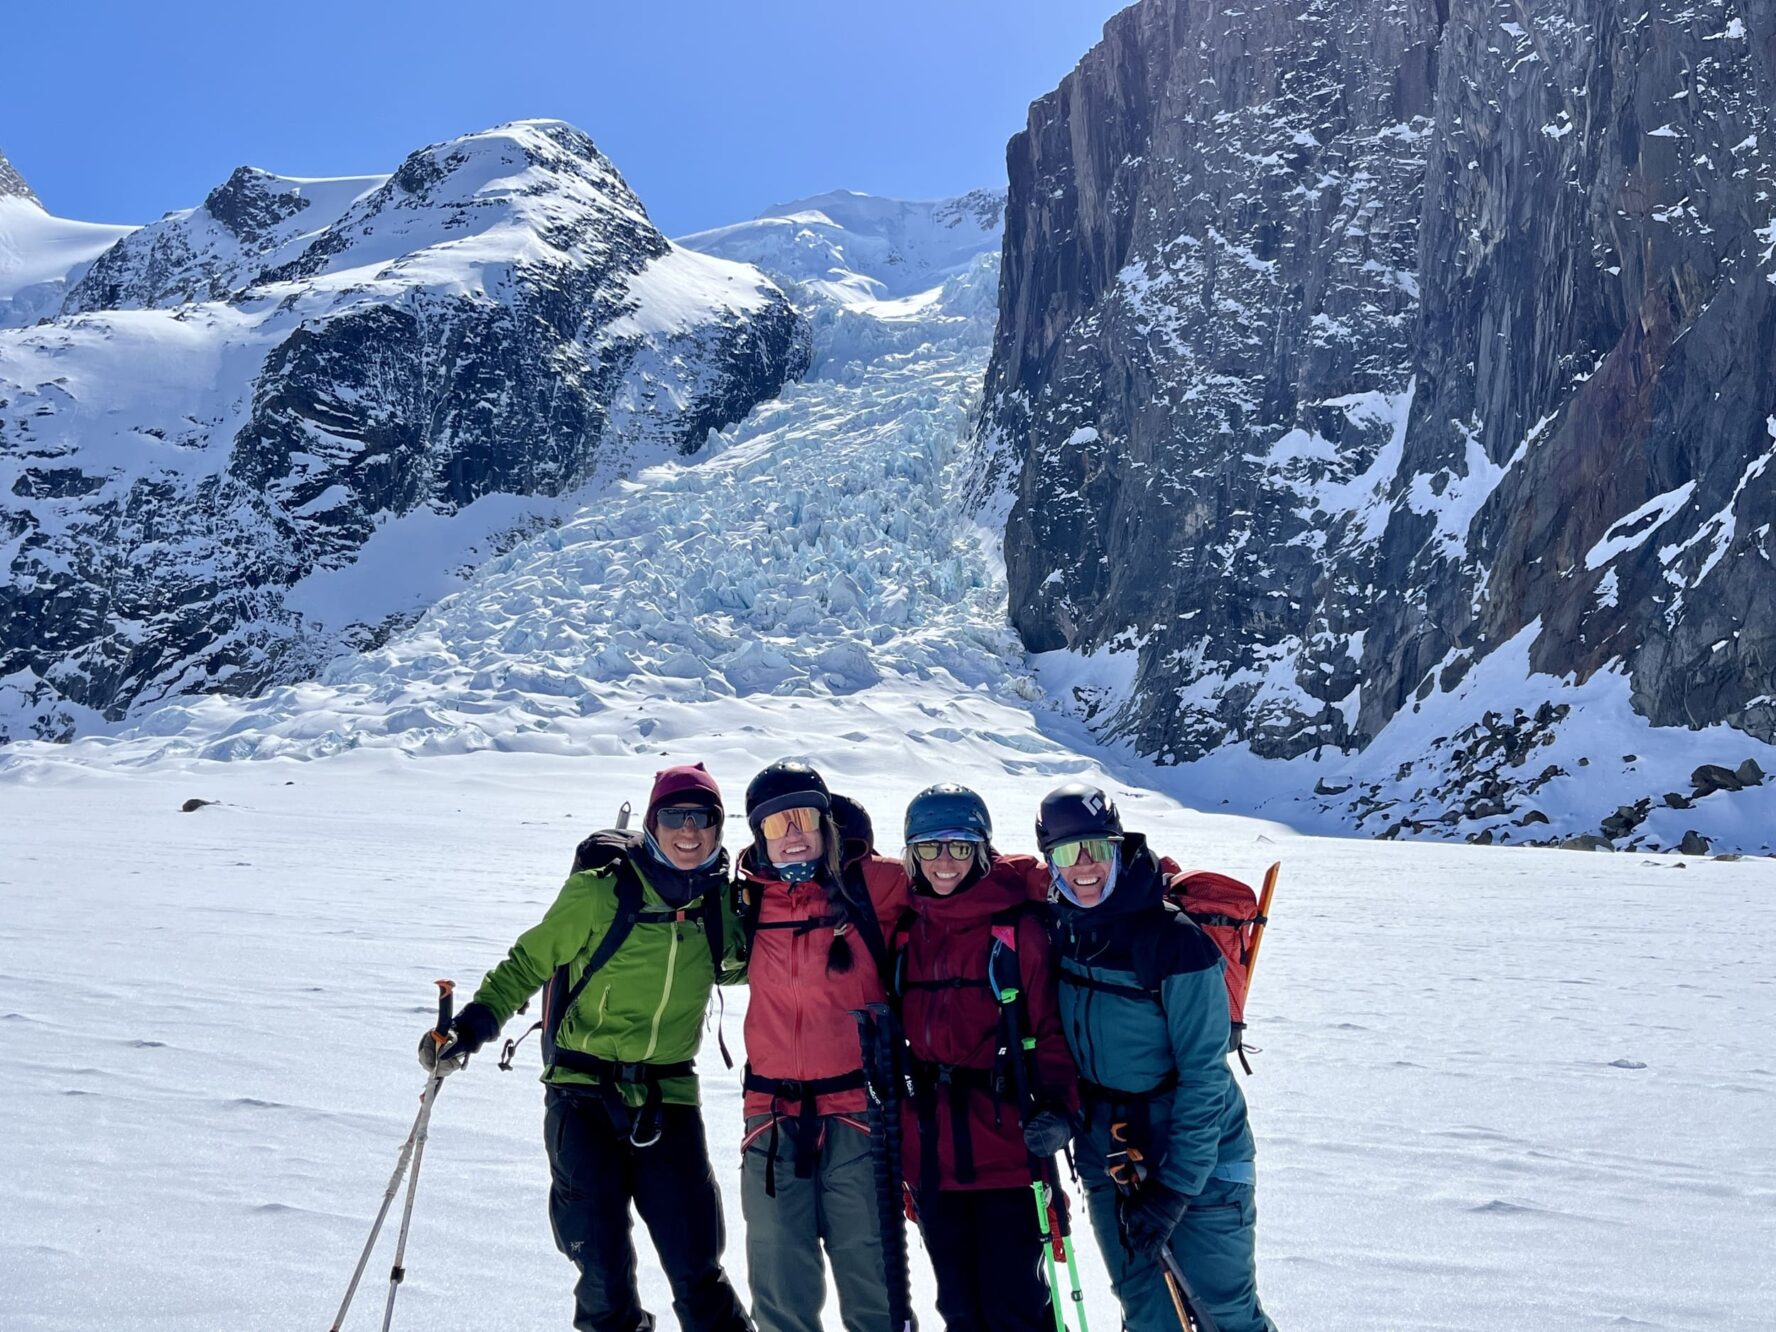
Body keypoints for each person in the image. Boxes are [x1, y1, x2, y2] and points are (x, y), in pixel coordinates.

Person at [419, 763, 752, 1332]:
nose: (689, 831)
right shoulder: (602, 893)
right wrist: (471, 1027)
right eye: (675, 816)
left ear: (720, 827)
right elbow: (529, 963)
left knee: (697, 1267)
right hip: (581, 1094)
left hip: (667, 1096)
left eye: (704, 817)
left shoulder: (721, 905)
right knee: (600, 1271)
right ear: (652, 822)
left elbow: (750, 966)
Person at [1035, 782, 1274, 1332]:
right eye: (1068, 853)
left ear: (1120, 846)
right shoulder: (1062, 930)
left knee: (1227, 1315)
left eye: (1099, 847)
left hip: (1200, 1160)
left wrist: (1173, 1192)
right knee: (1146, 1312)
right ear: (1051, 861)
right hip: (1109, 1155)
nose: (1085, 865)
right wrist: (1065, 1114)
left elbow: (1204, 1078)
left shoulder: (1176, 942)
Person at [731, 759, 910, 1332]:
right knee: (780, 1287)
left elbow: (967, 882)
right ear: (758, 836)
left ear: (827, 821)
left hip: (859, 1114)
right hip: (771, 1115)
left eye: (803, 817)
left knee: (874, 1285)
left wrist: (1127, 874)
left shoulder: (874, 885)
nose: (792, 834)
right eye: (775, 824)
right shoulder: (745, 901)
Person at [895, 783, 1078, 1332]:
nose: (944, 861)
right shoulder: (906, 928)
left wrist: (1062, 1111)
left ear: (981, 850)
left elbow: (1049, 1030)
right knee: (957, 1308)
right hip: (930, 1154)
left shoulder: (1016, 928)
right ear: (912, 854)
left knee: (1015, 1305)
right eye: (929, 848)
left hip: (1007, 1149)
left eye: (959, 845)